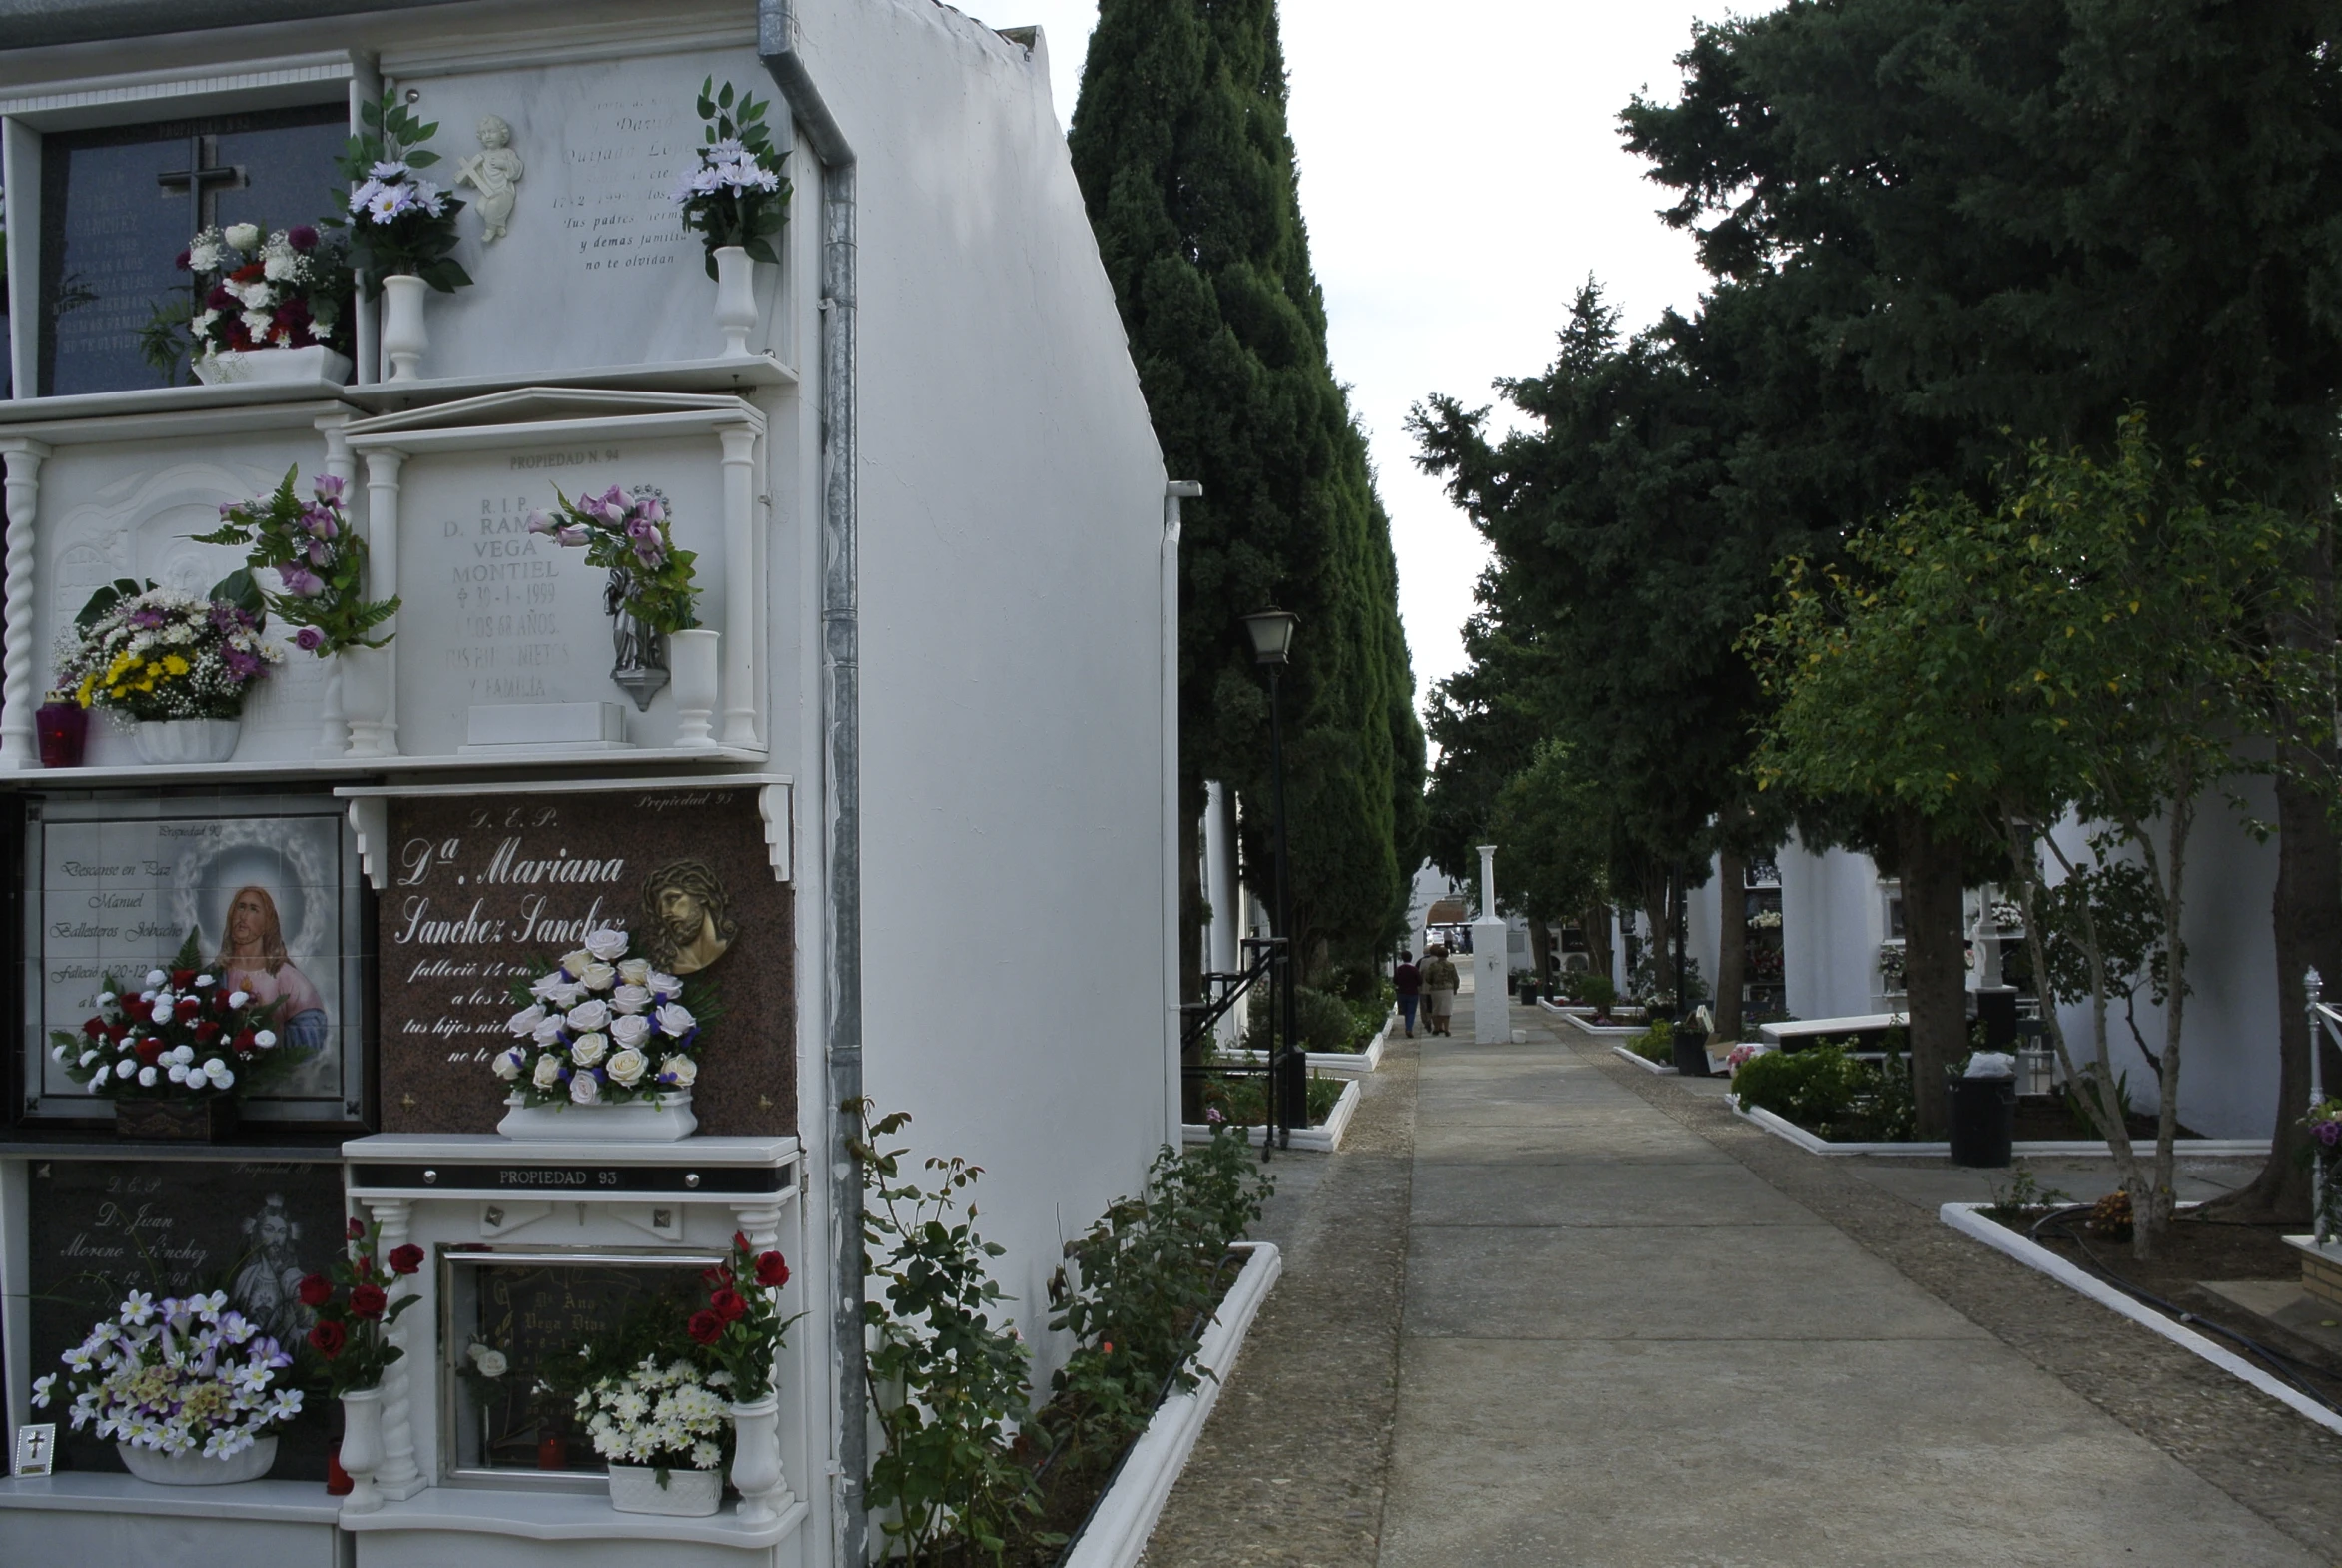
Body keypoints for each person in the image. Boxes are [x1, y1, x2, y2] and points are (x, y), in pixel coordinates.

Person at [215, 885, 329, 1055]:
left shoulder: (288, 978)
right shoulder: (216, 974)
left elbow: (310, 1036)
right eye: (240, 907)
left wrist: (267, 1022)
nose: (243, 916)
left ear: (268, 922)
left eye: (253, 909)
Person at [1420, 945, 1460, 1037]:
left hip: (1436, 989)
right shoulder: (1451, 965)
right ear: (1447, 955)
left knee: (1436, 1009)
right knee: (1447, 1009)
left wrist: (1433, 983)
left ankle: (1437, 1028)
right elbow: (1456, 978)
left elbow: (1428, 977)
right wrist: (1455, 988)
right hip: (1448, 988)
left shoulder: (1433, 965)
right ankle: (1447, 1029)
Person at [1393, 952, 1422, 1038]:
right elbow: (1420, 981)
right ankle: (1409, 1028)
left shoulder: (1399, 969)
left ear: (1402, 958)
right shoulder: (1415, 969)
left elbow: (1395, 980)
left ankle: (1408, 1027)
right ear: (1411, 958)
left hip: (1402, 992)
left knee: (1406, 1012)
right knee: (1411, 1012)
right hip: (1413, 992)